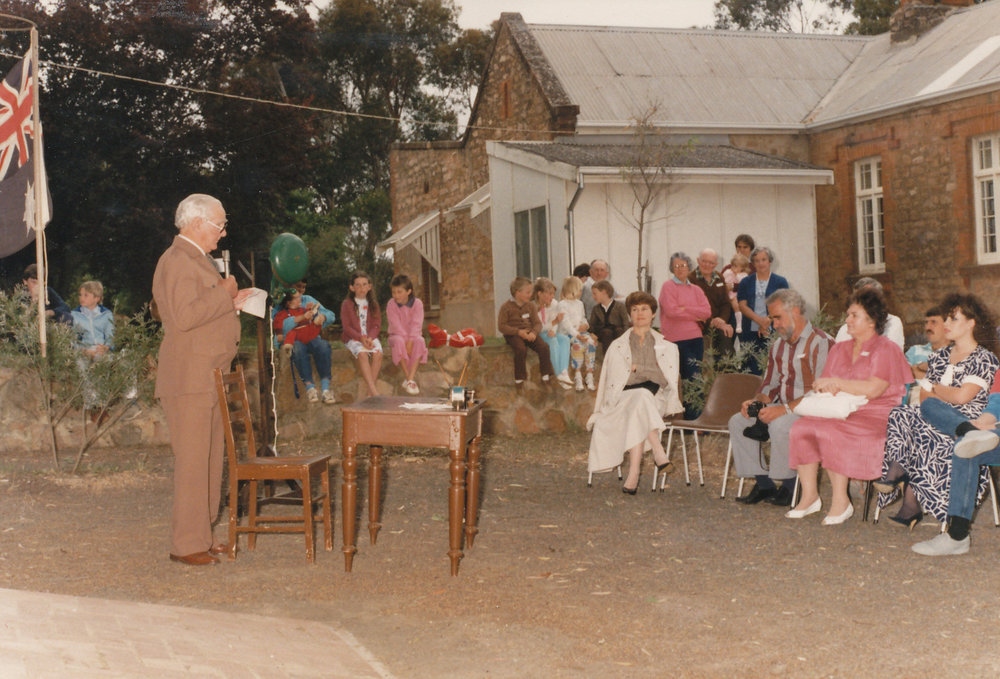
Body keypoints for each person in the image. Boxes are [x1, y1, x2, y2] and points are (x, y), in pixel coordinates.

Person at [153, 193, 253, 566]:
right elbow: (182, 316)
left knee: (211, 460)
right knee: (194, 461)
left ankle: (203, 535)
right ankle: (186, 544)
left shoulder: (195, 259)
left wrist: (231, 302)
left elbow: (202, 310)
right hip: (189, 378)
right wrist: (224, 293)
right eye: (219, 224)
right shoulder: (178, 259)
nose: (223, 232)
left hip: (207, 375)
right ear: (196, 223)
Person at [786, 289, 912, 525]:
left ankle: (840, 502)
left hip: (875, 415)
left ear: (872, 320)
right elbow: (826, 383)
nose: (847, 320)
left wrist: (838, 383)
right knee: (801, 428)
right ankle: (810, 497)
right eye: (848, 315)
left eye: (854, 315)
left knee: (831, 431)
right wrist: (826, 387)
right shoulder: (840, 348)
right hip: (840, 410)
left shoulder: (886, 349)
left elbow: (874, 389)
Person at [876, 293, 1000, 528]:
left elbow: (963, 397)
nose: (946, 324)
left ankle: (909, 495)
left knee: (926, 432)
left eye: (953, 319)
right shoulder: (940, 356)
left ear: (971, 323)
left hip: (968, 421)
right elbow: (925, 397)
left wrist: (934, 386)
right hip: (932, 414)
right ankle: (901, 475)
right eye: (946, 319)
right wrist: (937, 390)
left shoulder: (984, 358)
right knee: (900, 413)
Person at [728, 289, 832, 507]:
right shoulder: (778, 345)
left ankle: (790, 485)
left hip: (813, 410)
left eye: (777, 318)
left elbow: (822, 392)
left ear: (795, 311)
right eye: (772, 319)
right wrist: (757, 402)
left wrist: (783, 409)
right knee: (738, 421)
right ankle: (764, 484)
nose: (773, 325)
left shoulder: (821, 343)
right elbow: (769, 385)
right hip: (784, 407)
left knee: (781, 424)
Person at [587, 291, 682, 494]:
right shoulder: (618, 346)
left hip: (655, 398)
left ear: (653, 313)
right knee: (639, 399)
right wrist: (649, 372)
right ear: (630, 314)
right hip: (623, 399)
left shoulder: (667, 346)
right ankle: (658, 452)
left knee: (641, 402)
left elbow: (665, 380)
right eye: (635, 309)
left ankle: (634, 474)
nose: (640, 313)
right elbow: (618, 380)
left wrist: (639, 369)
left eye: (644, 309)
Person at [911, 394, 1000, 555]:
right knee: (930, 404)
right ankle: (968, 430)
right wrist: (980, 425)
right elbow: (997, 402)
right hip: (990, 433)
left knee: (968, 447)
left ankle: (957, 536)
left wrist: (994, 428)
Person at [658, 252, 710, 418]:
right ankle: (693, 419)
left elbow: (707, 312)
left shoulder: (696, 289)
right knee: (690, 378)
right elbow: (671, 311)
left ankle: (694, 419)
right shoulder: (668, 287)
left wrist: (684, 309)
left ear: (689, 266)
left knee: (695, 377)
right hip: (676, 340)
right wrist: (695, 312)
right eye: (676, 266)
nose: (680, 269)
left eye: (683, 265)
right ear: (672, 269)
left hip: (695, 338)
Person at [273, 289, 335, 404]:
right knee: (298, 349)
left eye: (299, 296)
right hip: (295, 340)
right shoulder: (281, 314)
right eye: (296, 298)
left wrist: (318, 316)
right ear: (288, 303)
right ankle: (310, 388)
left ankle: (325, 389)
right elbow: (283, 326)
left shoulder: (304, 308)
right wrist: (303, 317)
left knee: (323, 346)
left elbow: (330, 315)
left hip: (309, 336)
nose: (300, 299)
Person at [736, 246, 789, 374]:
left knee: (773, 367)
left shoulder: (780, 282)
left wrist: (767, 321)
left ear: (769, 261)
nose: (761, 263)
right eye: (757, 260)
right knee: (750, 368)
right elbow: (742, 305)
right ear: (753, 263)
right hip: (749, 331)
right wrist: (759, 321)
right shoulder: (745, 282)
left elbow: (783, 305)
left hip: (773, 330)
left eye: (764, 259)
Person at [497, 276, 555, 385]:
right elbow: (501, 326)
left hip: (529, 333)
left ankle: (546, 375)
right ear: (517, 292)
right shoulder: (506, 307)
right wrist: (518, 332)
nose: (530, 295)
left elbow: (537, 323)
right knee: (520, 349)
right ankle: (520, 378)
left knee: (544, 347)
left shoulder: (530, 306)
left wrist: (533, 332)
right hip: (513, 334)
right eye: (527, 292)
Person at [340, 271, 383, 398]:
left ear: (369, 286)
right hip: (353, 337)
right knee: (362, 354)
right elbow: (347, 327)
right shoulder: (347, 304)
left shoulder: (373, 304)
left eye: (364, 284)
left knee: (378, 354)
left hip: (370, 336)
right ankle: (373, 391)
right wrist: (361, 338)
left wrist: (369, 338)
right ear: (351, 287)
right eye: (357, 285)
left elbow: (376, 324)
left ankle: (369, 393)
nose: (361, 288)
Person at [833, 277, 904, 349]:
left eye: (866, 299)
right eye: (856, 299)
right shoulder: (845, 329)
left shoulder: (893, 323)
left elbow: (891, 355)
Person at [386, 274, 428, 396]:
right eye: (393, 292)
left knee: (420, 341)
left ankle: (410, 378)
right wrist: (405, 342)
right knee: (399, 341)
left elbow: (417, 324)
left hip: (413, 337)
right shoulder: (391, 304)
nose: (396, 295)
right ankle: (409, 379)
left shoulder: (418, 304)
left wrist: (410, 342)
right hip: (396, 336)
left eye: (399, 292)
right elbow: (395, 325)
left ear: (409, 291)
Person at [690, 248, 733, 356]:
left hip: (717, 323)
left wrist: (721, 320)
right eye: (704, 261)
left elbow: (726, 304)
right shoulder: (690, 279)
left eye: (711, 263)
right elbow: (692, 308)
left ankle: (725, 370)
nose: (707, 265)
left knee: (726, 333)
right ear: (698, 261)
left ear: (716, 264)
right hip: (698, 324)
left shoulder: (719, 277)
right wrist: (711, 321)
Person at [558, 276, 597, 391]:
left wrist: (586, 325)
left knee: (591, 343)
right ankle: (577, 374)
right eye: (579, 290)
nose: (581, 292)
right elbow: (566, 324)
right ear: (572, 289)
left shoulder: (580, 304)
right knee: (578, 345)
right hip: (568, 334)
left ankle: (589, 374)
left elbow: (583, 318)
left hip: (581, 331)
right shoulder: (562, 304)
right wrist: (578, 335)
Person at [533, 277, 572, 389]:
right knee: (553, 341)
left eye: (553, 294)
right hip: (539, 333)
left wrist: (553, 330)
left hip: (549, 331)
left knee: (564, 339)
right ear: (540, 294)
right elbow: (538, 327)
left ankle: (564, 372)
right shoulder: (532, 307)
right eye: (549, 294)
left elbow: (555, 320)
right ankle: (558, 373)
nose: (552, 297)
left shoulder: (554, 304)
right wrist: (553, 325)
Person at [71, 280, 114, 359]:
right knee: (80, 364)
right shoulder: (74, 315)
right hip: (83, 350)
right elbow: (72, 339)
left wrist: (106, 348)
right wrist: (84, 351)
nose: (81, 298)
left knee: (105, 361)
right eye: (80, 295)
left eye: (86, 295)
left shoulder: (106, 314)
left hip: (101, 350)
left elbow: (110, 337)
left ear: (97, 298)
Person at [905, 305, 948, 380]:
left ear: (947, 325)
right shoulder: (914, 350)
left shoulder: (956, 354)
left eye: (933, 322)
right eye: (926, 323)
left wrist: (916, 369)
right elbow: (902, 377)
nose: (928, 327)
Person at [588, 279, 630, 355]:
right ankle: (608, 358)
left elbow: (625, 323)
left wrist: (626, 335)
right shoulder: (596, 309)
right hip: (603, 333)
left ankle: (620, 356)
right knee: (607, 332)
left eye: (595, 294)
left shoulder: (620, 306)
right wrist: (592, 333)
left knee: (619, 331)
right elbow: (592, 325)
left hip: (618, 331)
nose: (593, 297)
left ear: (604, 292)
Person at [723, 253, 751, 338]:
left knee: (736, 304)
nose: (733, 268)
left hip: (736, 295)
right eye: (732, 265)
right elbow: (722, 280)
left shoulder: (743, 275)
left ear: (742, 267)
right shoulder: (728, 272)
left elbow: (744, 285)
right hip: (727, 295)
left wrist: (737, 275)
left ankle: (739, 323)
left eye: (736, 266)